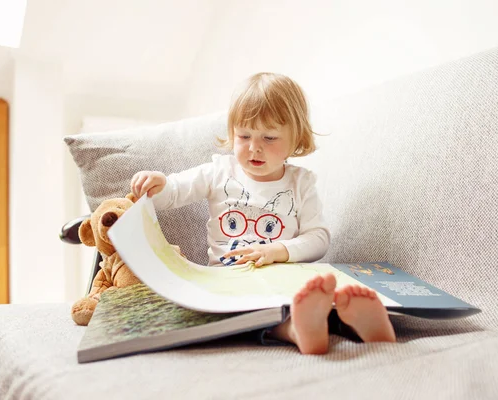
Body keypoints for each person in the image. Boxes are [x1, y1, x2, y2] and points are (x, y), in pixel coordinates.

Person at [131, 72, 396, 354]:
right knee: (252, 315)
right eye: (244, 135)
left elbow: (318, 238)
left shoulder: (300, 183)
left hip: (284, 279)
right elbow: (173, 191)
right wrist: (157, 184)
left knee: (314, 296)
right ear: (232, 133)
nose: (254, 147)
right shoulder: (218, 172)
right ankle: (299, 330)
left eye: (269, 137)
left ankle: (359, 323)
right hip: (228, 283)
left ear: (296, 141)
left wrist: (278, 250)